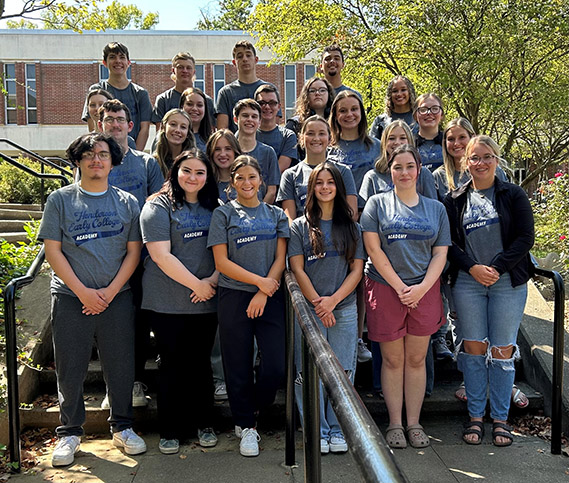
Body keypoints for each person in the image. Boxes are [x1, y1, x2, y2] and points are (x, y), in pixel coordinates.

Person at [39, 132, 146, 467]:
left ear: (113, 161)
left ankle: (122, 427)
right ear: (78, 161)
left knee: (120, 364)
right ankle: (70, 432)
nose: (96, 160)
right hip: (71, 297)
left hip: (117, 297)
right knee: (70, 368)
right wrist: (84, 292)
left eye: (102, 154)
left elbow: (134, 252)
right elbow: (52, 251)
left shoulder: (128, 202)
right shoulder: (60, 199)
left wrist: (111, 291)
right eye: (88, 154)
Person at [443, 135, 534, 447]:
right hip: (469, 282)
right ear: (465, 162)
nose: (480, 163)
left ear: (496, 159)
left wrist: (496, 266)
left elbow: (525, 237)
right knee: (473, 350)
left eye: (486, 157)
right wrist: (473, 267)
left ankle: (500, 418)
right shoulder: (454, 199)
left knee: (501, 351)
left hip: (507, 282)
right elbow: (449, 244)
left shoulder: (513, 194)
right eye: (474, 158)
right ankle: (475, 416)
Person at [361, 144, 450, 449]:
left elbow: (441, 253)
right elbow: (373, 250)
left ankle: (414, 422)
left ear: (419, 169)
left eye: (409, 166)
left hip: (424, 291)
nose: (404, 172)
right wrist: (400, 287)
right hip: (386, 289)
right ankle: (395, 423)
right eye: (398, 167)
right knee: (392, 359)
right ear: (390, 170)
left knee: (415, 359)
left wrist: (422, 288)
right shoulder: (376, 204)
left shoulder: (435, 209)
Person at [208, 155, 289, 458]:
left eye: (251, 176)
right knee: (237, 365)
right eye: (239, 177)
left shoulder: (276, 214)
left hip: (270, 295)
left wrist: (264, 290)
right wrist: (259, 284)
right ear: (232, 183)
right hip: (234, 297)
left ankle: (253, 410)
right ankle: (246, 425)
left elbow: (280, 258)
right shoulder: (223, 214)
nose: (246, 183)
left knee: (276, 365)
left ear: (260, 180)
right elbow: (221, 262)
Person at [140, 149, 220, 455]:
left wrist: (211, 282)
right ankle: (170, 429)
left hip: (206, 300)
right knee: (172, 365)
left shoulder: (216, 206)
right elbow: (161, 255)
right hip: (167, 302)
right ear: (175, 172)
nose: (193, 177)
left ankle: (204, 424)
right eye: (187, 170)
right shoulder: (157, 206)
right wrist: (197, 284)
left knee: (200, 364)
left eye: (200, 172)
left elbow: (223, 250)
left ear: (208, 177)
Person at [288, 162, 365, 454]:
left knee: (343, 371)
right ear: (311, 188)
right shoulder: (299, 226)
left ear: (338, 187)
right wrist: (320, 304)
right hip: (309, 311)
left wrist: (332, 301)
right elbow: (297, 269)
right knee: (308, 373)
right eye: (318, 182)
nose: (324, 187)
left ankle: (338, 428)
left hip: (343, 309)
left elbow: (356, 272)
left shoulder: (353, 227)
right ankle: (316, 429)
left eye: (330, 182)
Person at [98, 99, 164, 409]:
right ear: (101, 125)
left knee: (138, 320)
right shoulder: (95, 161)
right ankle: (115, 384)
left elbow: (155, 202)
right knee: (111, 322)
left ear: (130, 125)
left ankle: (136, 382)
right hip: (106, 256)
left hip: (142, 256)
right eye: (108, 119)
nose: (114, 124)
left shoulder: (147, 163)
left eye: (119, 119)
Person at [278, 115, 357, 222]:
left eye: (321, 133)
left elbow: (351, 214)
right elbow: (290, 220)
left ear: (330, 139)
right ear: (301, 138)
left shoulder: (343, 171)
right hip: (303, 236)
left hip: (338, 234)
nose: (316, 138)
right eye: (310, 133)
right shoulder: (290, 175)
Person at [82, 42, 152, 151]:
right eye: (112, 57)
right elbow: (93, 125)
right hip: (105, 153)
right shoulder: (96, 91)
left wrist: (135, 156)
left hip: (132, 151)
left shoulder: (141, 93)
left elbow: (144, 128)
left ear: (128, 63)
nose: (118, 61)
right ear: (105, 63)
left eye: (122, 57)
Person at [327, 90, 381, 211]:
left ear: (361, 112)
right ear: (335, 115)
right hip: (337, 215)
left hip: (371, 213)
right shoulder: (327, 149)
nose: (349, 114)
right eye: (343, 111)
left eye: (354, 109)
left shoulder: (378, 146)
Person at [359, 120, 437, 202]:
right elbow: (364, 211)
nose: (397, 142)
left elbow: (433, 209)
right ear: (384, 143)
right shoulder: (372, 177)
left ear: (409, 141)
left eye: (402, 138)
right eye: (391, 138)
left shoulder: (423, 174)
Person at [216, 40, 278, 133]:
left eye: (248, 55)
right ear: (234, 62)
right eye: (240, 56)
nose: (245, 59)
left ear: (256, 59)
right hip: (236, 145)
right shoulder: (226, 92)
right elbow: (222, 130)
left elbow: (273, 126)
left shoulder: (269, 89)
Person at [152, 52, 216, 131]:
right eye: (180, 67)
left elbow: (211, 131)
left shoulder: (206, 101)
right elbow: (160, 133)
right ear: (173, 70)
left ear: (194, 72)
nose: (185, 71)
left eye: (188, 68)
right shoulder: (163, 100)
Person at [233, 99, 280, 204]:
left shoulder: (268, 152)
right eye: (245, 116)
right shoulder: (228, 151)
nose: (250, 119)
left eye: (254, 117)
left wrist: (257, 214)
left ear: (259, 122)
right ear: (236, 119)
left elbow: (272, 192)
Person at [285, 77, 335, 160]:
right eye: (312, 90)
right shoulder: (294, 124)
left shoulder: (337, 122)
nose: (317, 93)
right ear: (306, 95)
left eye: (322, 90)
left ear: (329, 94)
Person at [254, 84, 298, 173]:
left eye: (272, 103)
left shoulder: (288, 136)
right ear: (255, 106)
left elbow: (278, 170)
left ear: (278, 107)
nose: (267, 107)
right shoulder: (244, 134)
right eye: (261, 103)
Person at [369, 75, 417, 141]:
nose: (399, 94)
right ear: (390, 95)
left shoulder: (419, 118)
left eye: (403, 90)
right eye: (395, 91)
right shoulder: (380, 121)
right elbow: (373, 148)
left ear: (410, 92)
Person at [153, 109, 196, 177]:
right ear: (163, 127)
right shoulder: (152, 162)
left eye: (183, 127)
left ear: (188, 133)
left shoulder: (195, 161)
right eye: (173, 124)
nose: (178, 130)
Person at [206, 129, 243, 204]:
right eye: (217, 149)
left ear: (235, 152)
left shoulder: (245, 182)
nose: (222, 154)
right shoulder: (204, 182)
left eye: (228, 149)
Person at [413, 93, 445, 172]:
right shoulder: (409, 144)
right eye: (423, 109)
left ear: (441, 115)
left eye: (435, 109)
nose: (429, 113)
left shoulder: (450, 142)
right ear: (415, 115)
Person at [179, 87, 214, 153]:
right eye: (189, 104)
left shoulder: (213, 140)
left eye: (199, 105)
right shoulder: (173, 136)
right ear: (181, 106)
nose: (194, 108)